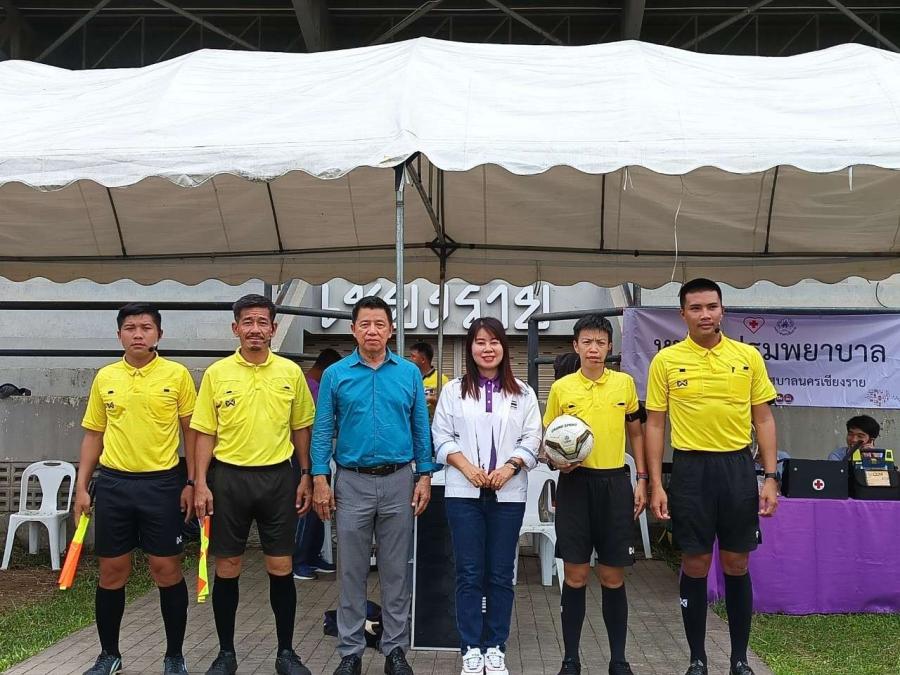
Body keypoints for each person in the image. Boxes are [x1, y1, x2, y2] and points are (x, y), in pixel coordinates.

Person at [645, 278, 778, 675]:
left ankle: (739, 660)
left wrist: (770, 476)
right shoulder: (666, 361)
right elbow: (655, 425)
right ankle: (697, 659)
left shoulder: (747, 357)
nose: (705, 314)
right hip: (690, 470)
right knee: (696, 562)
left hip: (737, 469)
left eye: (711, 306)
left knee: (737, 563)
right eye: (696, 308)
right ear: (682, 314)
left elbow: (764, 418)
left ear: (722, 310)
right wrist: (656, 483)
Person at [311, 296, 436, 675]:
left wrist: (425, 475)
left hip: (400, 481)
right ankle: (350, 652)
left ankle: (394, 649)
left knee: (396, 570)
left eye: (379, 324)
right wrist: (320, 477)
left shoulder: (408, 373)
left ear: (391, 330)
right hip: (352, 482)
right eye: (365, 324)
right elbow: (323, 429)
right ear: (353, 330)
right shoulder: (336, 375)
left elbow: (420, 427)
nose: (372, 331)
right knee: (351, 570)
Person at [192, 294, 316, 675]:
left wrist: (306, 474)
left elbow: (301, 428)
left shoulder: (290, 373)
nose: (255, 330)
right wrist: (200, 483)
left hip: (278, 478)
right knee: (228, 565)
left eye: (263, 322)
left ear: (273, 329)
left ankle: (286, 653)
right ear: (236, 328)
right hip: (228, 479)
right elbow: (204, 433)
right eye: (248, 322)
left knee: (281, 565)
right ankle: (225, 654)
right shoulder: (216, 374)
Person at [75, 303, 196, 675]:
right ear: (119, 335)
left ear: (159, 334)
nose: (138, 334)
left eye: (146, 327)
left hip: (163, 485)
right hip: (114, 484)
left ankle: (174, 656)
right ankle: (109, 655)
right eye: (130, 328)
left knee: (166, 568)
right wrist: (82, 487)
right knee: (112, 570)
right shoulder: (105, 377)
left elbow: (191, 433)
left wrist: (193, 482)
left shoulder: (177, 375)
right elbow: (93, 434)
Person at [431, 318, 542, 675]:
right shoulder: (453, 391)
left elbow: (532, 438)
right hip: (463, 493)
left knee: (500, 573)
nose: (487, 348)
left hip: (508, 495)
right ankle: (470, 648)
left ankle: (495, 646)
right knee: (468, 572)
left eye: (494, 342)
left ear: (504, 347)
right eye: (480, 342)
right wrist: (467, 468)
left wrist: (510, 467)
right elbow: (441, 435)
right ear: (470, 348)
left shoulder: (523, 393)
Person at [543, 314, 648, 675]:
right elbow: (548, 441)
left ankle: (618, 660)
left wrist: (642, 478)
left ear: (609, 347)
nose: (593, 348)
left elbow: (636, 433)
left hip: (614, 485)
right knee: (574, 575)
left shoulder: (624, 384)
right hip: (575, 486)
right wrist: (558, 462)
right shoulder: (562, 388)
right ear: (576, 346)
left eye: (600, 342)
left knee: (612, 577)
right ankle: (570, 659)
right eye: (587, 342)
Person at [293, 348, 342, 580]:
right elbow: (309, 426)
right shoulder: (308, 387)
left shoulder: (318, 385)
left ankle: (313, 555)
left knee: (319, 509)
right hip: (306, 456)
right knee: (305, 507)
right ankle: (298, 560)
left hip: (321, 457)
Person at [409, 340, 449, 416]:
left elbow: (447, 407)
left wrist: (433, 400)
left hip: (431, 422)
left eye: (413, 356)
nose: (410, 359)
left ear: (423, 360)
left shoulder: (441, 379)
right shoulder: (408, 376)